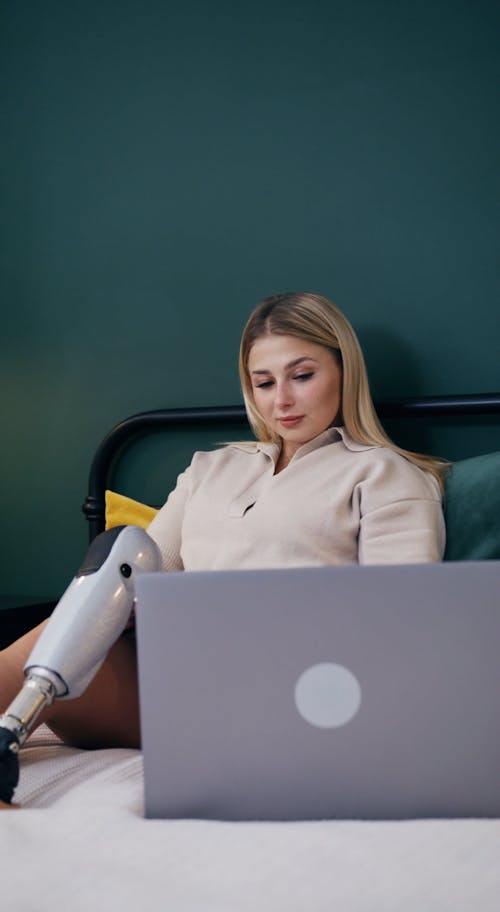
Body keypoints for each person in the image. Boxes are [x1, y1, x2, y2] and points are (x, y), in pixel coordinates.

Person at [0, 291, 448, 782]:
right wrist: (114, 611)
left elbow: (400, 625)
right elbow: (143, 571)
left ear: (345, 371)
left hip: (289, 692)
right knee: (60, 635)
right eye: (263, 382)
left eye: (302, 375)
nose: (282, 400)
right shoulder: (210, 469)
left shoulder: (385, 475)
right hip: (172, 677)